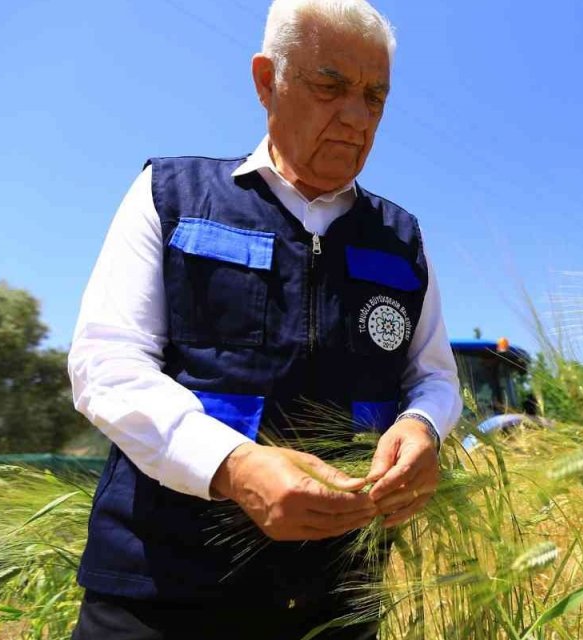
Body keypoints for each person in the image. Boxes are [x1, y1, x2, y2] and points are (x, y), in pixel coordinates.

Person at [66, 1, 461, 637]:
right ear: (265, 80)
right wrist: (233, 467)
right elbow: (104, 365)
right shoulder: (170, 195)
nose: (357, 117)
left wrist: (423, 428)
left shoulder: (400, 238)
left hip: (334, 602)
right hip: (159, 592)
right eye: (331, 86)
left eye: (375, 97)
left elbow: (434, 377)